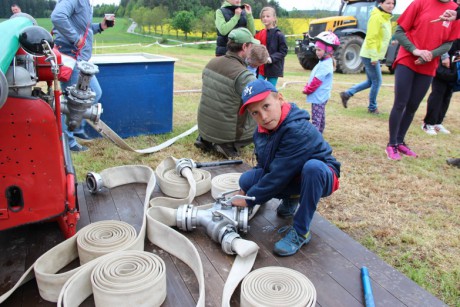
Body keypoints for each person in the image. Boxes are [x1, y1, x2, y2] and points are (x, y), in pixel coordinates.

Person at [232, 79, 341, 257]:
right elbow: (264, 166)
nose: (263, 117)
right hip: (291, 173)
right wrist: (245, 190)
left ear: (280, 99)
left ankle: (301, 231)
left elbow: (277, 176)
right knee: (246, 180)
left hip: (322, 176)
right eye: (255, 113)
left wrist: (250, 199)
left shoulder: (297, 129)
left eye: (266, 106)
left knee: (312, 168)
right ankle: (292, 197)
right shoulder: (261, 130)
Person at [385, 0, 459, 161]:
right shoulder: (420, 3)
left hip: (429, 64)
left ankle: (400, 140)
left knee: (413, 106)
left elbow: (448, 43)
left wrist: (430, 55)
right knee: (401, 102)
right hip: (407, 59)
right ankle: (391, 144)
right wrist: (415, 50)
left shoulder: (455, 10)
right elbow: (399, 31)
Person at [51, 0, 114, 152]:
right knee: (74, 101)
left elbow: (83, 29)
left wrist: (100, 27)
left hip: (78, 59)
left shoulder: (85, 3)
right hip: (70, 57)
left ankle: (72, 131)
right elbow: (58, 16)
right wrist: (75, 39)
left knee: (89, 95)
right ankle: (68, 141)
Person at [195, 27, 259, 158]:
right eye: (251, 46)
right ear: (245, 46)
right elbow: (262, 98)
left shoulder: (211, 62)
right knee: (262, 111)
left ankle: (206, 139)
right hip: (227, 133)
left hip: (204, 128)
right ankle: (226, 144)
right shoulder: (244, 75)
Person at [340, 0, 395, 114]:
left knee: (371, 81)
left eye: (393, 3)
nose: (391, 6)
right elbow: (371, 38)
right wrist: (374, 57)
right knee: (377, 81)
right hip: (370, 55)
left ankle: (347, 94)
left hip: (373, 54)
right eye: (388, 3)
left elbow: (381, 36)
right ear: (380, 3)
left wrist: (391, 41)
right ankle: (372, 107)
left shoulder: (386, 17)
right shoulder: (376, 17)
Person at [302, 31, 340, 134]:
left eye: (319, 50)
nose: (317, 52)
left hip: (318, 97)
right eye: (316, 50)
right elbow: (314, 77)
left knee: (316, 121)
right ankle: (319, 135)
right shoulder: (324, 62)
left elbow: (316, 81)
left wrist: (307, 90)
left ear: (328, 50)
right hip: (321, 96)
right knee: (320, 118)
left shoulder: (325, 65)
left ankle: (315, 139)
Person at [422, 39, 460, 135]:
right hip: (441, 63)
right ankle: (428, 123)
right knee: (438, 93)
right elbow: (439, 40)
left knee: (447, 95)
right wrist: (444, 56)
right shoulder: (451, 27)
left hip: (454, 66)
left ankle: (438, 122)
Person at [254, 6, 288, 87]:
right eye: (263, 16)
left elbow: (283, 51)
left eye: (268, 16)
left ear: (274, 18)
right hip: (261, 67)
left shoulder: (279, 34)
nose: (265, 18)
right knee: (258, 87)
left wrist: (271, 58)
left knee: (270, 90)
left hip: (273, 68)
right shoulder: (260, 33)